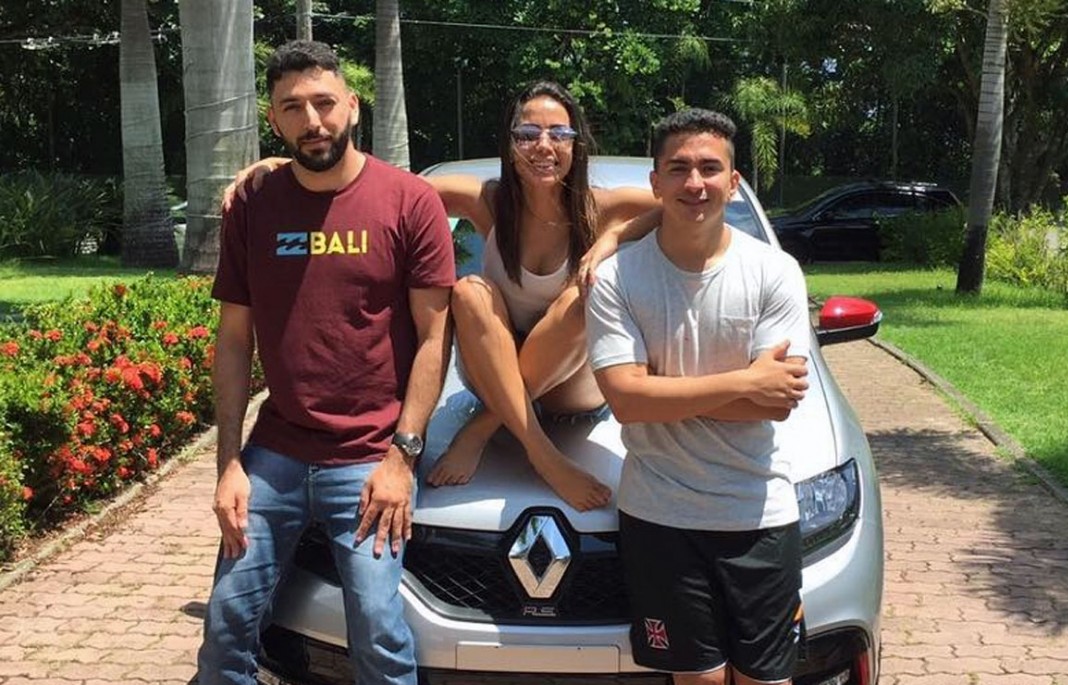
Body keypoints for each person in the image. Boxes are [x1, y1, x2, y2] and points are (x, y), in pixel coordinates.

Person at [227, 81, 659, 512]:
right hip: (490, 374)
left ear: (575, 144)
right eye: (528, 134)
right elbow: (377, 188)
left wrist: (613, 237)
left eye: (559, 134)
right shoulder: (487, 201)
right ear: (510, 145)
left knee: (581, 295)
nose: (543, 146)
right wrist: (295, 168)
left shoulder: (603, 207)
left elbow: (677, 204)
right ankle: (544, 456)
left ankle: (481, 430)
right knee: (469, 290)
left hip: (572, 390)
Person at [197, 40, 455, 685]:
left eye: (324, 102)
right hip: (276, 453)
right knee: (225, 626)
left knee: (378, 627)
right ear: (274, 119)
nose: (312, 121)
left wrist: (402, 458)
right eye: (293, 108)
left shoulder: (409, 200)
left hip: (371, 454)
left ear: (353, 106)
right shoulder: (253, 204)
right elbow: (234, 339)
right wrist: (229, 463)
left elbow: (435, 338)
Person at [585, 108, 811, 685]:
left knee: (767, 680)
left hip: (759, 512)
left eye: (710, 168)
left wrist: (658, 388)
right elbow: (627, 402)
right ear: (655, 182)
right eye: (678, 168)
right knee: (699, 681)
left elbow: (778, 399)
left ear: (733, 183)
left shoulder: (774, 271)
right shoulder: (616, 279)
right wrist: (745, 382)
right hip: (660, 517)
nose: (695, 183)